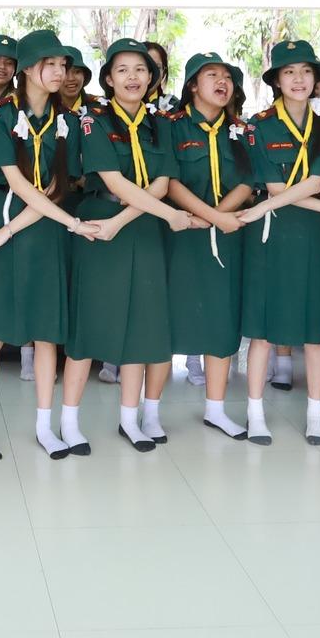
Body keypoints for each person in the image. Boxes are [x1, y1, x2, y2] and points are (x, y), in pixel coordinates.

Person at [0, 30, 98, 457]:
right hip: (5, 216)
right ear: (27, 68)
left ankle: (44, 425)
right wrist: (61, 224)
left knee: (46, 332)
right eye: (50, 64)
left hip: (42, 227)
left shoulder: (69, 120)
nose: (60, 72)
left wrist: (23, 228)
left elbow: (57, 186)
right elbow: (17, 183)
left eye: (64, 65)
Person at [72, 37, 198, 451]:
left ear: (152, 78)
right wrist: (166, 216)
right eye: (123, 70)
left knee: (142, 326)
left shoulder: (161, 123)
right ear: (108, 79)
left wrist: (126, 221)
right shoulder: (93, 120)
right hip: (101, 220)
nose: (133, 77)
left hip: (140, 226)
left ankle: (130, 419)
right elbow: (113, 180)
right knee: (89, 327)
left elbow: (161, 181)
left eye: (141, 70)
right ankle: (69, 422)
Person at [241, 40, 320, 444]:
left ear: (316, 79)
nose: (299, 79)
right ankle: (255, 414)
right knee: (262, 330)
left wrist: (266, 205)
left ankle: (314, 417)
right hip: (270, 235)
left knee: (314, 331)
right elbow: (273, 186)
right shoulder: (258, 126)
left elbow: (317, 183)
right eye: (289, 72)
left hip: (312, 233)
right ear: (276, 80)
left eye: (306, 72)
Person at [163, 53, 256, 437]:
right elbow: (169, 182)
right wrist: (208, 217)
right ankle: (150, 412)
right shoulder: (171, 126)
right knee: (167, 321)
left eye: (228, 77)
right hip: (181, 235)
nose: (222, 82)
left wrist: (218, 216)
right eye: (211, 75)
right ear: (192, 86)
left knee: (221, 319)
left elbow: (248, 180)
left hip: (227, 235)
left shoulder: (241, 131)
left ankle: (215, 409)